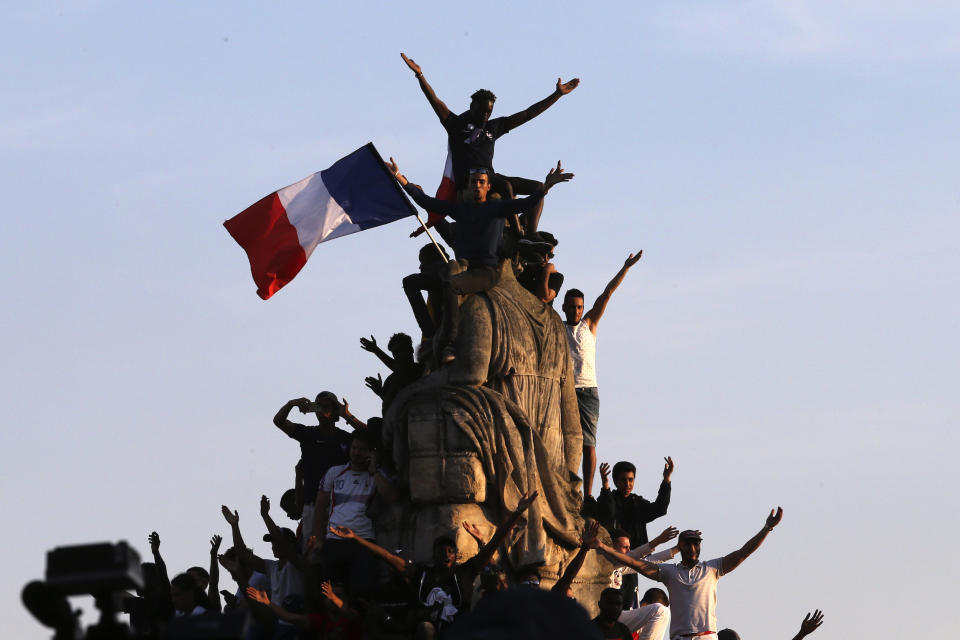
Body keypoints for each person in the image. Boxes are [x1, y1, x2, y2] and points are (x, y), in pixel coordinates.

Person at [387, 158, 573, 362]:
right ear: (468, 185)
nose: (477, 185)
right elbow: (427, 202)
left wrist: (545, 186)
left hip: (485, 272)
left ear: (488, 186)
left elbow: (527, 202)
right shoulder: (460, 210)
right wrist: (399, 178)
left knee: (451, 285)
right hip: (463, 268)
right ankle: (431, 334)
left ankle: (450, 342)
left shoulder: (498, 208)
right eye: (474, 181)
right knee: (410, 282)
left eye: (481, 182)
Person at [400, 52, 579, 244]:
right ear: (472, 106)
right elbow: (435, 101)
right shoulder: (455, 124)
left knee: (538, 187)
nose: (486, 115)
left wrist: (557, 95)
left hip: (490, 177)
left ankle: (530, 235)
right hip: (470, 182)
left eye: (489, 111)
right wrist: (420, 75)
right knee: (506, 185)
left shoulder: (493, 127)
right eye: (482, 111)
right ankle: (518, 233)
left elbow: (528, 114)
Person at [327, 491, 538, 638]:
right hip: (427, 632)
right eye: (441, 551)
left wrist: (517, 513)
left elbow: (495, 543)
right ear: (434, 555)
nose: (446, 555)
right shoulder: (421, 575)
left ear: (455, 555)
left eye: (450, 551)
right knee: (426, 629)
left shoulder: (464, 574)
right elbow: (388, 557)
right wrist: (356, 538)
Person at [592, 508, 784, 640]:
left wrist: (767, 528)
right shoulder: (670, 572)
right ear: (680, 546)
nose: (692, 547)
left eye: (696, 543)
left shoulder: (712, 568)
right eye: (687, 543)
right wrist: (602, 547)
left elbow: (743, 552)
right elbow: (636, 564)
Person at [562, 251, 643, 499]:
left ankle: (587, 493)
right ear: (564, 307)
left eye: (580, 307)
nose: (576, 311)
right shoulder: (557, 326)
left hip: (588, 390)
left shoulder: (589, 324)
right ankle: (567, 486)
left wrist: (625, 267)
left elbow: (607, 293)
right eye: (573, 307)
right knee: (567, 441)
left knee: (589, 444)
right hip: (566, 390)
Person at [312, 431, 398, 596]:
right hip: (334, 540)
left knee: (362, 594)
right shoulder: (334, 472)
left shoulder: (377, 475)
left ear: (371, 452)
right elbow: (319, 508)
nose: (357, 452)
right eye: (354, 448)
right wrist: (319, 540)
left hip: (363, 540)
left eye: (362, 449)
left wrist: (374, 471)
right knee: (333, 595)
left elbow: (392, 497)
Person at [273, 391, 365, 542]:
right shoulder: (308, 434)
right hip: (313, 506)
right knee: (313, 555)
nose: (322, 411)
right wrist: (292, 404)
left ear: (335, 411)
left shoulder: (346, 439)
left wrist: (347, 415)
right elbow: (279, 421)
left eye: (326, 407)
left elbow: (369, 437)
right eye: (318, 407)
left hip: (340, 506)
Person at [221, 500, 306, 640]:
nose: (273, 545)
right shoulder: (271, 567)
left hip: (297, 625)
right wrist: (234, 526)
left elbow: (283, 544)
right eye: (272, 542)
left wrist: (265, 516)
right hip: (280, 626)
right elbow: (242, 554)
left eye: (276, 541)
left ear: (290, 543)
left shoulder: (298, 562)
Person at [597, 458, 674, 550]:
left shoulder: (638, 502)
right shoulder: (608, 499)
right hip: (614, 557)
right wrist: (605, 485)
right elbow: (608, 512)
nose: (627, 484)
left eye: (631, 480)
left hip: (639, 557)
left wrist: (666, 479)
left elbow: (660, 509)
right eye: (623, 480)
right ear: (615, 481)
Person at [600, 525, 679, 610]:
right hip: (605, 614)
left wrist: (678, 548)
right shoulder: (608, 563)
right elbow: (633, 555)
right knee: (660, 610)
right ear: (612, 548)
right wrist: (658, 540)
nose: (628, 550)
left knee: (661, 608)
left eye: (629, 547)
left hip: (616, 615)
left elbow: (649, 561)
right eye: (625, 547)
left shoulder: (620, 568)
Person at [361, 332, 423, 412]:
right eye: (396, 352)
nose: (399, 355)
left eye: (402, 350)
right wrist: (381, 393)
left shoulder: (422, 370)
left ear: (411, 350)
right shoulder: (390, 381)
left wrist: (376, 350)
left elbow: (404, 370)